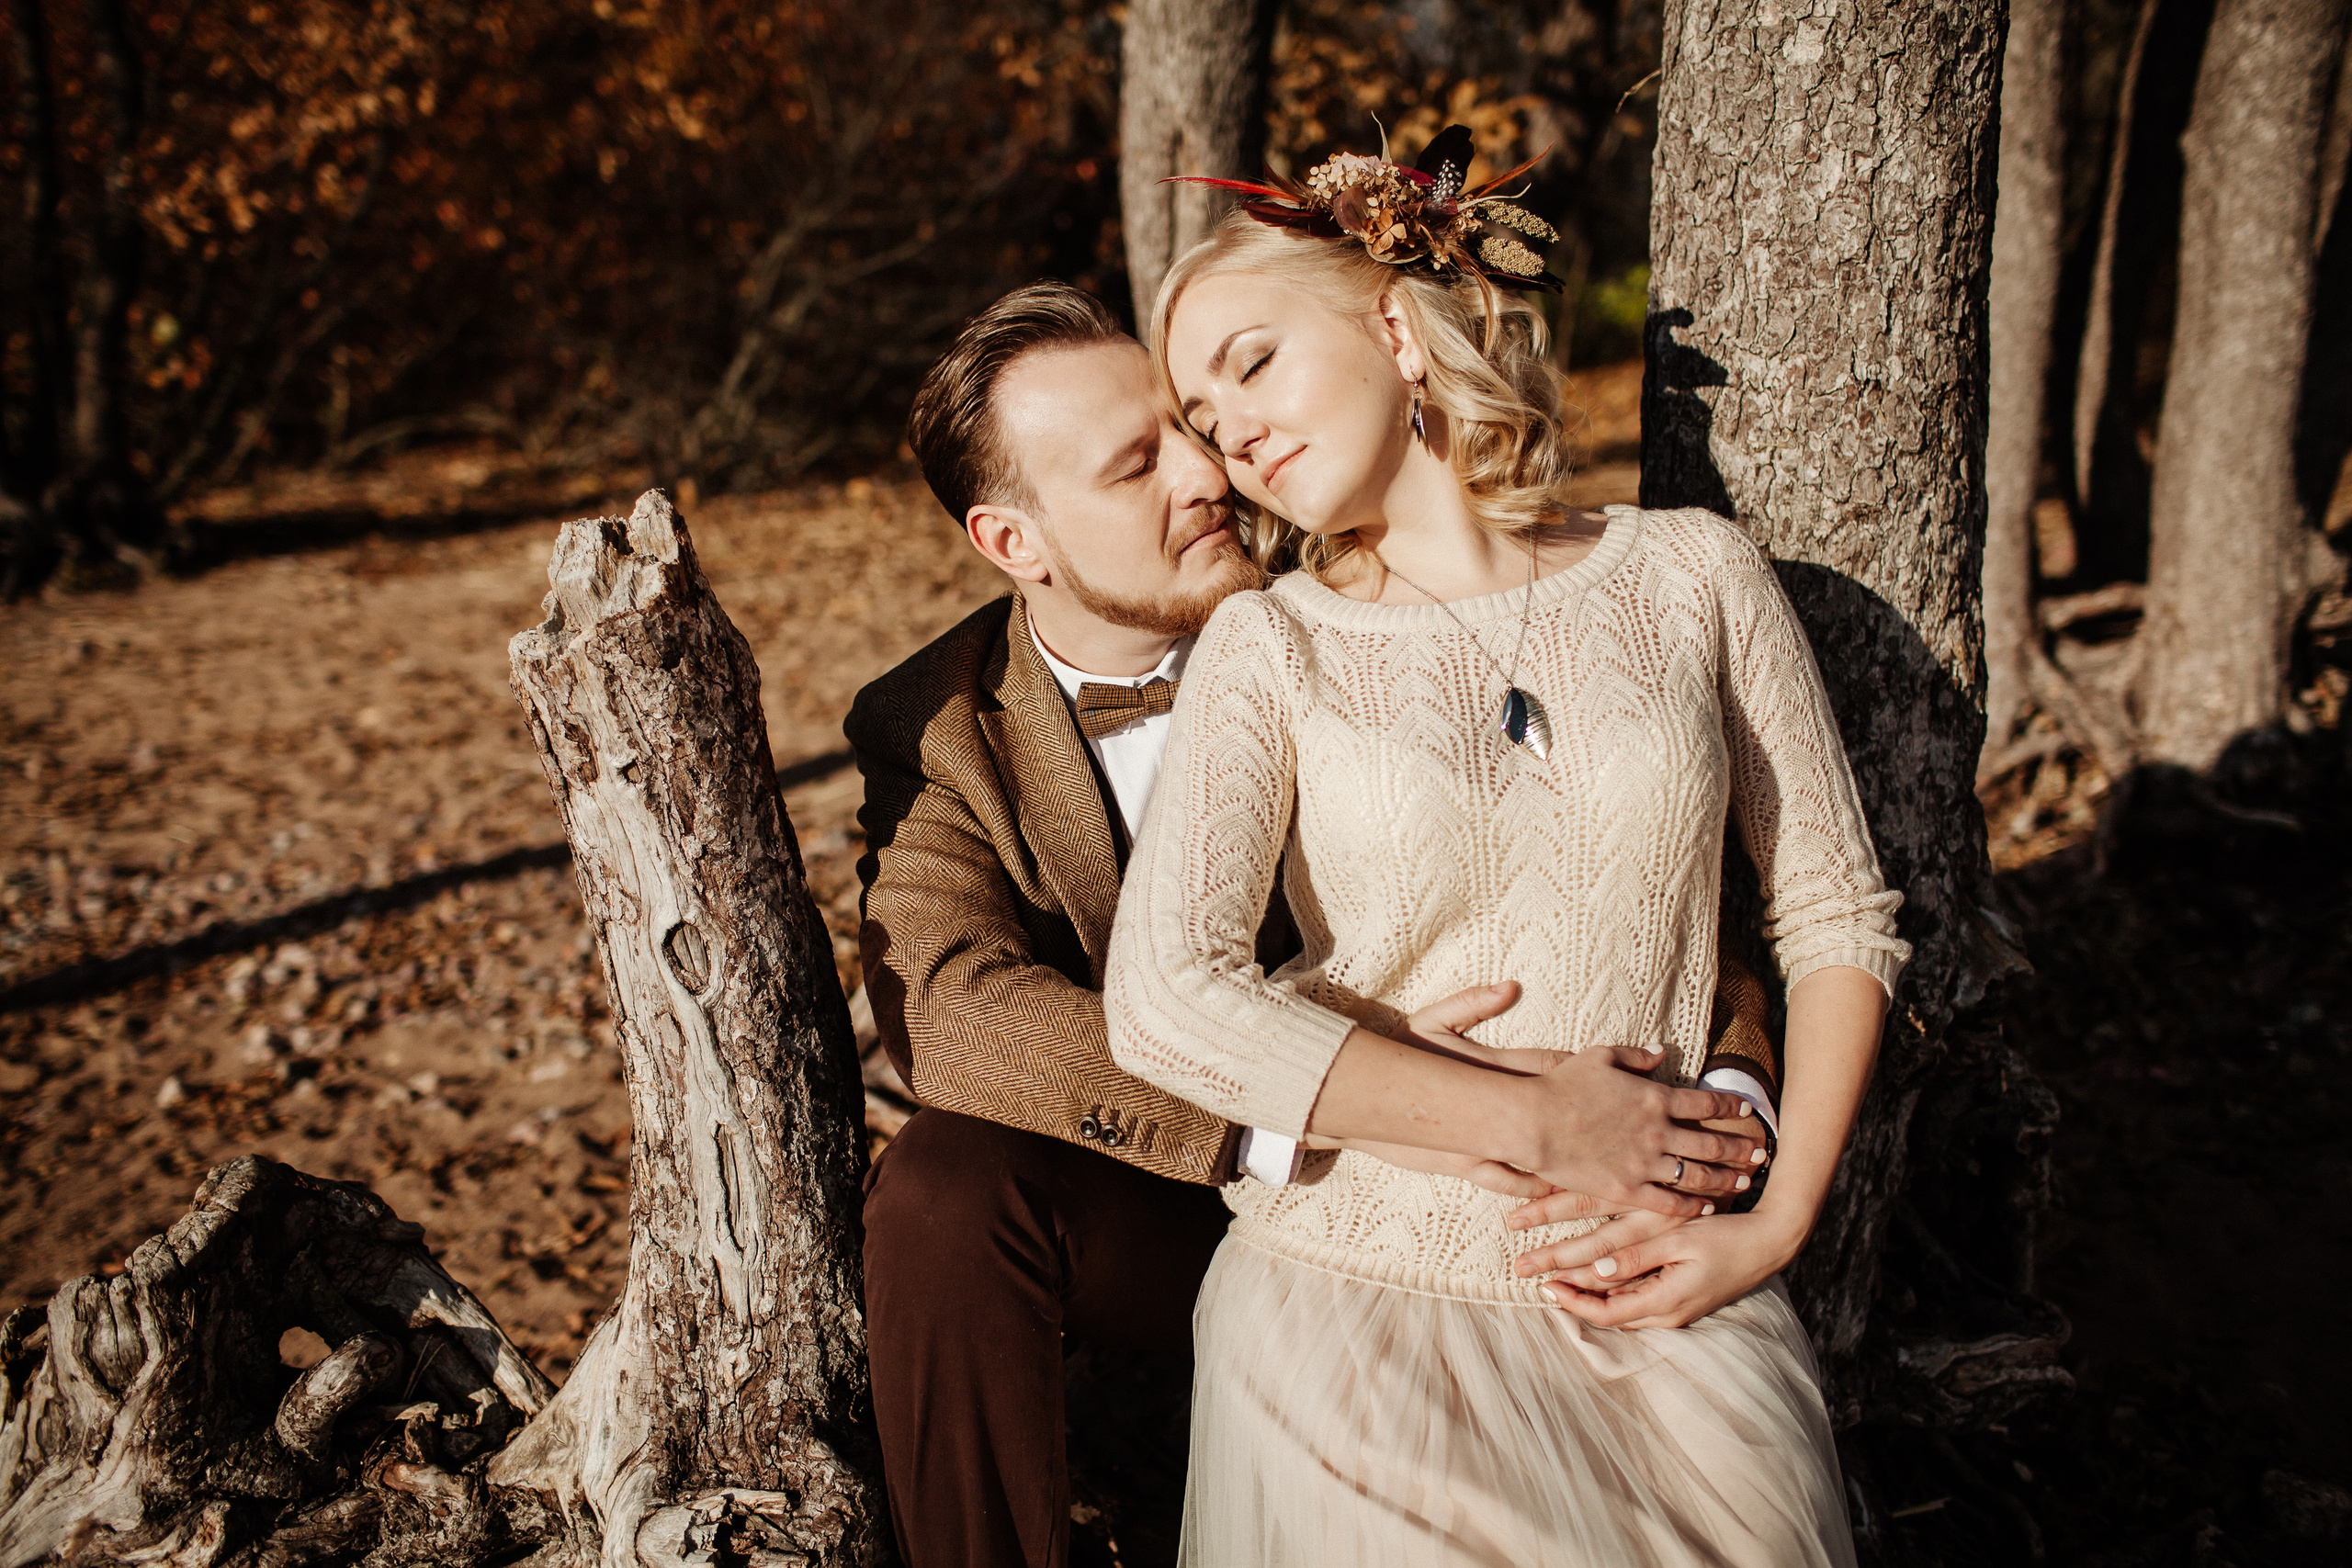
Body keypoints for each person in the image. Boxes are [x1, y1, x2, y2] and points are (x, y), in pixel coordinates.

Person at [851, 280, 1781, 1568]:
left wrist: (1729, 1082)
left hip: (1480, 1183)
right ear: (1016, 542)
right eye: (1137, 467)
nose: (1208, 471)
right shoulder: (940, 720)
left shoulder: (1363, 581)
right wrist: (1305, 1074)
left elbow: (1626, 846)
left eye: (1191, 425)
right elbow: (949, 1009)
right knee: (941, 1192)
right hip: (1188, 1177)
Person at [1103, 131, 1912, 1566]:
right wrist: (1517, 1118)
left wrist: (1777, 1226)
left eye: (1250, 364)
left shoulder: (1688, 572)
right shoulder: (1269, 644)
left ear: (1397, 326)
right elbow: (1164, 996)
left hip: (1665, 1302)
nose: (1227, 434)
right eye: (1199, 415)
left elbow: (1837, 914)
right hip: (1358, 1311)